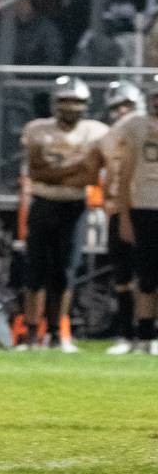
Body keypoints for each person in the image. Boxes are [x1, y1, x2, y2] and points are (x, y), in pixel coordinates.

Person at [18, 76, 109, 351]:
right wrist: (75, 169)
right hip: (43, 203)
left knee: (65, 271)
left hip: (73, 207)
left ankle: (58, 333)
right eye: (65, 101)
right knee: (35, 270)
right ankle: (32, 333)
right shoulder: (38, 130)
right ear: (55, 103)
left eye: (76, 102)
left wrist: (59, 174)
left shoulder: (95, 131)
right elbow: (37, 171)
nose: (70, 107)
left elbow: (91, 176)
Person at [90, 81, 144, 353]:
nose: (123, 111)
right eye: (117, 107)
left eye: (128, 106)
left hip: (149, 209)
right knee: (121, 275)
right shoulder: (106, 137)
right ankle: (126, 334)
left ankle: (149, 334)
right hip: (117, 210)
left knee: (150, 276)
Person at [116, 82, 158, 355]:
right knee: (146, 276)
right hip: (144, 205)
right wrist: (124, 216)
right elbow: (125, 173)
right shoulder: (136, 126)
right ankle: (145, 335)